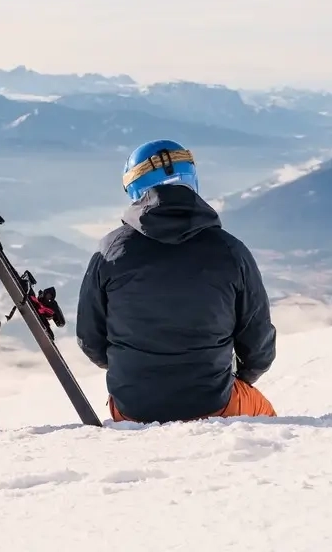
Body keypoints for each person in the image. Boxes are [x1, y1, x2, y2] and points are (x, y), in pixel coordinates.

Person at [75, 139, 278, 424]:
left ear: (134, 190)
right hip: (214, 403)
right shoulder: (231, 252)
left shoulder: (110, 251)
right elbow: (258, 347)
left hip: (131, 408)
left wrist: (135, 371)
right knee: (267, 422)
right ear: (191, 182)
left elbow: (90, 339)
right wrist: (235, 379)